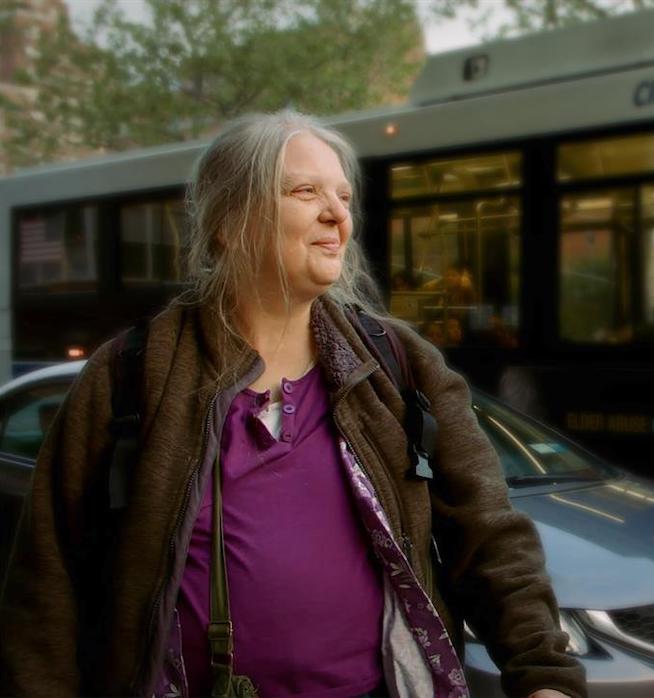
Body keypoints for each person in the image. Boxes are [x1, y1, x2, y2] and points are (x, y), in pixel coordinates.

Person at [0, 111, 584, 698]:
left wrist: (545, 677)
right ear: (230, 221)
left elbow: (492, 536)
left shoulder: (400, 364)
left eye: (344, 196)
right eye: (306, 191)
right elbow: (44, 590)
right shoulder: (128, 376)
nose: (338, 215)